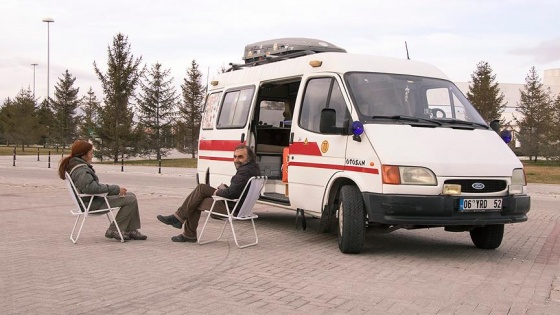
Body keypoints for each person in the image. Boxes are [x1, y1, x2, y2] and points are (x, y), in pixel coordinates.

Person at [157, 144, 260, 243]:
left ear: (249, 158)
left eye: (240, 157)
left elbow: (230, 194)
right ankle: (180, 221)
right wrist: (225, 188)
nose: (236, 160)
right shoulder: (254, 169)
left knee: (197, 197)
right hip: (242, 206)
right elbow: (238, 190)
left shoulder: (244, 172)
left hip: (232, 207)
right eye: (235, 156)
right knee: (200, 192)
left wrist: (218, 191)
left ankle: (184, 228)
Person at [58, 140, 147, 241]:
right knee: (130, 199)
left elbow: (91, 187)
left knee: (131, 195)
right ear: (83, 155)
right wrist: (116, 189)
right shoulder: (81, 170)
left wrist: (114, 190)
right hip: (91, 203)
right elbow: (91, 188)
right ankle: (114, 230)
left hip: (90, 200)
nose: (92, 156)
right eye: (91, 153)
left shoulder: (77, 166)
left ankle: (130, 230)